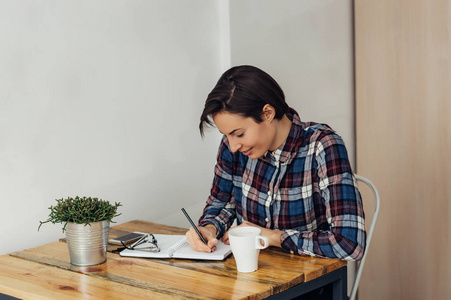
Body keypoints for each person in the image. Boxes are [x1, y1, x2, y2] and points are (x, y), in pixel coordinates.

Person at [186, 65, 366, 261]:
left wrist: (272, 237)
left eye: (238, 134)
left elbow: (349, 243)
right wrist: (208, 228)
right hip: (251, 279)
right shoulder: (235, 148)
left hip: (309, 285)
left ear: (268, 113)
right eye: (227, 135)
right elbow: (222, 203)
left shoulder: (322, 146)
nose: (233, 145)